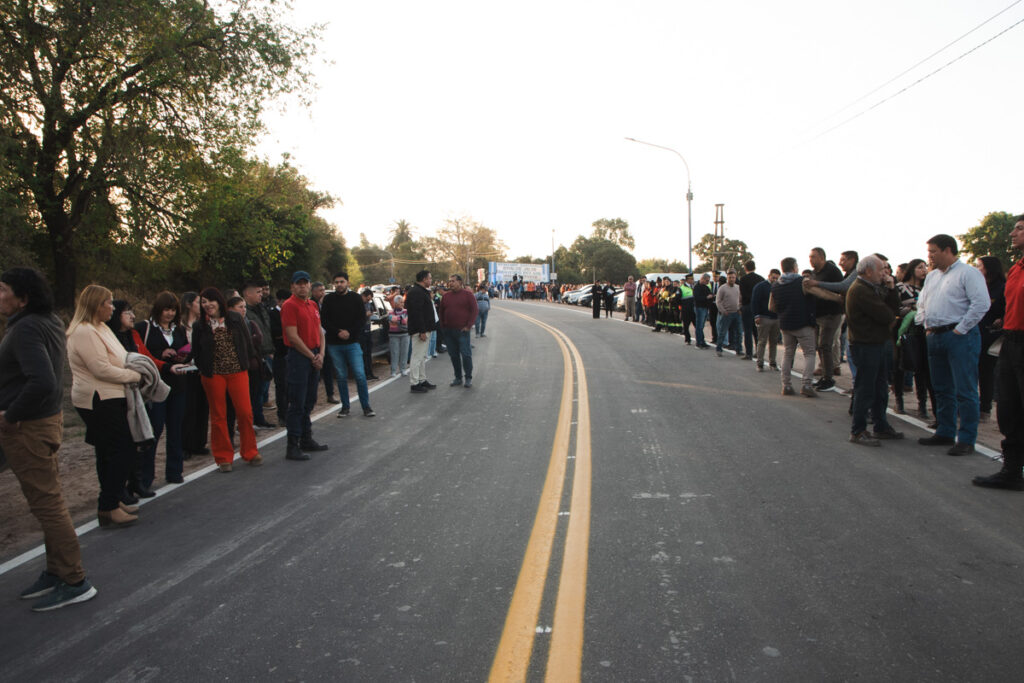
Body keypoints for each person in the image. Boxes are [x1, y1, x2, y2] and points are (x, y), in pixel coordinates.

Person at [0, 268, 98, 611]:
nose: (0, 296)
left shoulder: (26, 328)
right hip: (46, 422)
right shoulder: (47, 321)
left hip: (27, 427)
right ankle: (57, 571)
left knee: (48, 504)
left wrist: (11, 416)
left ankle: (74, 580)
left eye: (3, 290)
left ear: (22, 297)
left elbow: (42, 381)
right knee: (48, 500)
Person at [66, 285, 142, 527]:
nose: (112, 307)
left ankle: (112, 498)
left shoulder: (101, 328)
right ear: (95, 305)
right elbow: (100, 368)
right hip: (98, 398)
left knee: (109, 451)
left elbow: (120, 357)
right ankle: (108, 504)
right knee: (123, 450)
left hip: (113, 395)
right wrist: (133, 376)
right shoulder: (84, 332)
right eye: (108, 303)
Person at [916, 234, 990, 456]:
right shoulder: (932, 277)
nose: (929, 256)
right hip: (935, 336)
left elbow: (981, 304)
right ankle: (946, 431)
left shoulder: (968, 273)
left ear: (948, 250)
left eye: (933, 252)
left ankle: (967, 439)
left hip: (959, 336)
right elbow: (922, 303)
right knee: (941, 388)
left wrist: (960, 329)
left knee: (965, 389)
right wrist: (924, 324)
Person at [973, 214, 1024, 490]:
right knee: (1008, 409)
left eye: (1019, 229)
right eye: (1015, 228)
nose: (1013, 233)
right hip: (1011, 342)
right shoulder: (1016, 269)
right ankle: (1013, 471)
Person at [190, 288, 262, 471]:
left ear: (219, 301)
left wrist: (251, 362)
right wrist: (204, 369)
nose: (207, 305)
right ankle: (223, 458)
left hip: (238, 372)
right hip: (214, 375)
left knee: (245, 412)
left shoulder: (235, 318)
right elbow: (196, 352)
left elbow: (247, 342)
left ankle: (250, 451)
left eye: (210, 301)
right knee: (218, 416)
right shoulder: (200, 326)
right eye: (203, 302)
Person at [845, 255, 904, 446]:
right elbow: (888, 315)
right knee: (866, 388)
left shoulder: (870, 288)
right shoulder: (861, 290)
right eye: (881, 270)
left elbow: (892, 310)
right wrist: (890, 295)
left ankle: (881, 425)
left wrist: (891, 290)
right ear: (868, 271)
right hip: (866, 345)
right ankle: (858, 430)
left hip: (875, 343)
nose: (884, 274)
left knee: (879, 387)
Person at [135, 291, 189, 484]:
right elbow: (140, 353)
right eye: (166, 309)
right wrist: (162, 354)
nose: (170, 313)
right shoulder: (145, 328)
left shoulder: (179, 329)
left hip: (178, 384)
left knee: (176, 430)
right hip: (156, 385)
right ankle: (145, 477)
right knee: (154, 430)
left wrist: (182, 358)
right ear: (158, 309)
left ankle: (174, 472)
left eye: (173, 310)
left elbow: (186, 349)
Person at [281, 271, 329, 460]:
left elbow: (320, 331)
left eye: (305, 283)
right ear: (292, 286)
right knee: (297, 403)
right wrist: (312, 356)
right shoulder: (289, 306)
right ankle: (292, 445)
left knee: (309, 400)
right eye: (298, 284)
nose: (302, 286)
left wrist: (321, 354)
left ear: (310, 285)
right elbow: (292, 336)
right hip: (300, 357)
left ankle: (306, 438)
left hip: (315, 353)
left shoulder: (312, 304)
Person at [320, 272, 375, 418]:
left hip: (353, 343)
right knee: (341, 376)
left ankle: (366, 406)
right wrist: (338, 332)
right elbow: (324, 320)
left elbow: (361, 319)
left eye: (342, 282)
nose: (339, 284)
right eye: (336, 282)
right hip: (334, 343)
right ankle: (345, 407)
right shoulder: (328, 299)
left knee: (360, 375)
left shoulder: (356, 298)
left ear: (348, 283)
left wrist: (349, 332)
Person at [772, 258, 818, 397]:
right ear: (794, 267)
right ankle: (806, 385)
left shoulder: (776, 285)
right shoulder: (802, 282)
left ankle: (786, 385)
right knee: (809, 353)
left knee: (788, 353)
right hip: (803, 323)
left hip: (785, 324)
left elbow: (771, 306)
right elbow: (818, 294)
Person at [178, 291, 210, 459]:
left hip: (201, 369)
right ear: (189, 304)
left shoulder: (202, 324)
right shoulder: (180, 326)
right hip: (185, 371)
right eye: (199, 302)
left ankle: (199, 442)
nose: (202, 306)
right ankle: (186, 444)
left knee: (202, 407)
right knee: (188, 408)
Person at [809, 247, 845, 390]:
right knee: (819, 346)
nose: (811, 260)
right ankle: (824, 375)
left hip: (831, 314)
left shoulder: (832, 271)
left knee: (825, 345)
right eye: (810, 257)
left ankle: (829, 378)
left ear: (822, 257)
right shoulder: (814, 273)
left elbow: (840, 289)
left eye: (813, 257)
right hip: (818, 315)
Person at [976, 256, 1006, 423]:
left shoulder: (1001, 287)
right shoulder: (978, 286)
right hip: (974, 333)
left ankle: (985, 408)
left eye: (980, 266)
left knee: (986, 372)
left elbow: (1007, 309)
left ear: (989, 268)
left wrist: (1001, 318)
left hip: (991, 337)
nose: (977, 269)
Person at [242, 282, 275, 428]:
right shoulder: (245, 313)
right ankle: (253, 419)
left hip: (268, 353)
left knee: (263, 388)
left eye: (261, 291)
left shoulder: (262, 308)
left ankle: (259, 418)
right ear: (247, 294)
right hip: (256, 356)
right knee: (255, 390)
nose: (261, 294)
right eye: (257, 292)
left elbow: (266, 331)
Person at [439, 274, 479, 388]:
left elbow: (474, 310)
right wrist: (443, 326)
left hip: (462, 331)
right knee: (454, 356)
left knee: (466, 355)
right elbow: (441, 312)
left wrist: (469, 325)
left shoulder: (468, 295)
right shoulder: (446, 296)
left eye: (453, 281)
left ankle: (468, 378)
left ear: (460, 282)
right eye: (449, 281)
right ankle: (458, 377)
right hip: (448, 331)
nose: (450, 283)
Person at [752, 269, 780, 371]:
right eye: (773, 277)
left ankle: (772, 363)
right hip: (764, 317)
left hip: (776, 318)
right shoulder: (760, 286)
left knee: (774, 342)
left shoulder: (779, 287)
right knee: (762, 341)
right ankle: (760, 364)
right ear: (769, 276)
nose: (775, 279)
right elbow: (755, 301)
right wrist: (756, 316)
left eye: (777, 278)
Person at [739, 260, 765, 360]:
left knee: (747, 331)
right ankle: (759, 352)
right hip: (758, 307)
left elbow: (743, 293)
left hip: (747, 306)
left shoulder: (743, 279)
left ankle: (748, 353)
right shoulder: (761, 279)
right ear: (754, 267)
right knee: (757, 332)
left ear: (745, 268)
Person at [715, 270, 742, 357]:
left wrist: (740, 309)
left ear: (735, 278)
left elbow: (741, 299)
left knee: (738, 332)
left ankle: (739, 349)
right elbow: (718, 301)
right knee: (723, 332)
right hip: (727, 314)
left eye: (733, 277)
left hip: (737, 313)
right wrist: (723, 311)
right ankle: (719, 349)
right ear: (727, 278)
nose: (731, 279)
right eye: (730, 277)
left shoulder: (738, 287)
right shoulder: (722, 288)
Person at [387, 295, 410, 377]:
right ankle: (393, 371)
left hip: (405, 334)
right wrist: (400, 318)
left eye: (403, 302)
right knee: (394, 353)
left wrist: (396, 319)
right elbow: (390, 319)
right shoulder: (390, 312)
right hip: (393, 335)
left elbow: (405, 321)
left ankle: (403, 369)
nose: (402, 304)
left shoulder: (406, 311)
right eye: (400, 302)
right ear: (396, 303)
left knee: (404, 352)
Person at [692, 274, 712, 349]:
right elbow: (697, 298)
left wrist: (711, 296)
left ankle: (702, 341)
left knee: (702, 326)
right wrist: (706, 297)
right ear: (702, 279)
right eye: (707, 280)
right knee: (699, 325)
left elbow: (710, 294)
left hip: (705, 307)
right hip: (699, 307)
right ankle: (699, 342)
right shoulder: (697, 287)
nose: (708, 282)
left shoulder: (706, 287)